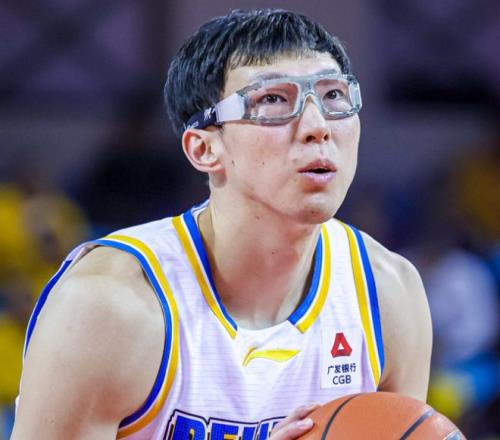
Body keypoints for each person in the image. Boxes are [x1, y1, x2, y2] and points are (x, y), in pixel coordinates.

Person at [11, 9, 432, 440]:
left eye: (334, 95)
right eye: (273, 100)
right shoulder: (107, 308)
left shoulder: (388, 294)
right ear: (204, 149)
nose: (316, 126)